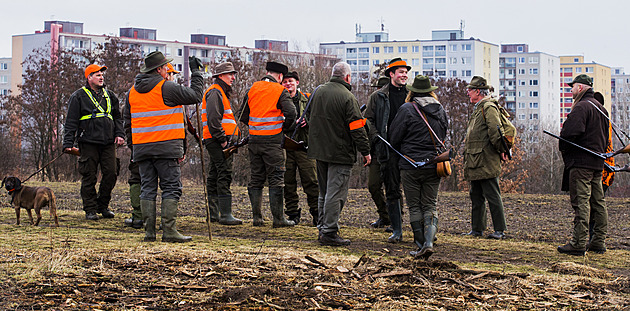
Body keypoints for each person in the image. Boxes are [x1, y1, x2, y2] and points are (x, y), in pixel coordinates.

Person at [123, 51, 204, 243]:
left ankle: (149, 233)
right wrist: (197, 73)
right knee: (171, 187)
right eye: (165, 66)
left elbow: (128, 123)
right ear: (158, 69)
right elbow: (196, 95)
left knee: (147, 189)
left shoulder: (131, 92)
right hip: (167, 147)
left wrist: (134, 148)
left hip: (142, 149)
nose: (167, 69)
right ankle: (169, 231)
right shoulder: (166, 87)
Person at [308, 62, 371, 246]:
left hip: (319, 151)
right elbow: (357, 129)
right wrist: (366, 151)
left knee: (324, 192)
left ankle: (322, 228)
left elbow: (309, 117)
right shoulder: (348, 97)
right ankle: (329, 232)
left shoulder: (317, 92)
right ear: (347, 77)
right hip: (340, 153)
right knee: (335, 194)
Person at [390, 75, 448, 259]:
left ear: (412, 92)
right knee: (431, 205)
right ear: (431, 91)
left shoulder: (407, 109)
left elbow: (394, 137)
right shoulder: (440, 110)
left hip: (410, 165)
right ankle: (429, 242)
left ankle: (421, 245)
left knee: (414, 206)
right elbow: (444, 133)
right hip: (434, 164)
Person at [123, 62, 182, 229]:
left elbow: (181, 124)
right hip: (160, 147)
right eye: (169, 73)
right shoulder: (163, 91)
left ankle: (146, 225)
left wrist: (133, 146)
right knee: (152, 183)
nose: (170, 77)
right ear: (161, 72)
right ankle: (142, 218)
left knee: (146, 185)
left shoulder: (135, 91)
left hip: (143, 147)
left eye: (172, 75)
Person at [63, 64, 125, 220]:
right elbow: (71, 121)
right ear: (89, 77)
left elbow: (118, 118)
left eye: (101, 74)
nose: (101, 77)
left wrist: (119, 134)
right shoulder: (78, 96)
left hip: (108, 142)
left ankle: (102, 205)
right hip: (88, 142)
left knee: (111, 173)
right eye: (97, 75)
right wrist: (68, 143)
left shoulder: (110, 96)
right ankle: (90, 209)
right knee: (89, 176)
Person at [240, 61, 297, 228]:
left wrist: (255, 126)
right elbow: (291, 113)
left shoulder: (252, 88)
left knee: (256, 178)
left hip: (254, 140)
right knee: (276, 178)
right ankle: (278, 219)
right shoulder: (280, 90)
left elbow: (243, 115)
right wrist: (284, 128)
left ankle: (257, 218)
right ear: (280, 76)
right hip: (273, 141)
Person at [558, 74, 609, 256]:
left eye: (572, 87)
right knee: (598, 202)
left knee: (581, 202)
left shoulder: (581, 107)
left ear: (580, 88)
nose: (570, 90)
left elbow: (570, 133)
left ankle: (578, 243)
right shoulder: (601, 108)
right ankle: (598, 242)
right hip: (597, 162)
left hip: (581, 163)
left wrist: (564, 146)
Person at [364, 58, 410, 243]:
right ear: (391, 74)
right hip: (385, 147)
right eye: (401, 72)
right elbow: (368, 120)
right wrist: (376, 138)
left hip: (407, 149)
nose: (404, 75)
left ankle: (400, 223)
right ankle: (391, 221)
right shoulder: (378, 96)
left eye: (406, 72)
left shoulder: (411, 95)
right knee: (385, 186)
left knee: (407, 188)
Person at [463, 76, 508, 240]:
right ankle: (477, 229)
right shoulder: (479, 107)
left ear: (477, 91)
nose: (467, 92)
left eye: (470, 90)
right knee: (476, 195)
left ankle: (499, 230)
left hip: (486, 159)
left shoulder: (488, 107)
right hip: (476, 159)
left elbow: (496, 132)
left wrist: (502, 150)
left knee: (492, 194)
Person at [202, 61, 242, 225]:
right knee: (224, 174)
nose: (233, 77)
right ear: (220, 76)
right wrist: (223, 140)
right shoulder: (215, 93)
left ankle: (214, 214)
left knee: (215, 175)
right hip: (218, 140)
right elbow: (214, 120)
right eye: (229, 74)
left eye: (233, 74)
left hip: (215, 139)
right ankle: (225, 214)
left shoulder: (219, 92)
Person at [281, 71, 319, 225]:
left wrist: (307, 122)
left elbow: (319, 118)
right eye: (285, 81)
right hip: (286, 147)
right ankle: (292, 214)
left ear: (297, 82)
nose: (288, 84)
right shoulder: (279, 100)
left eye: (290, 81)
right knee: (287, 182)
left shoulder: (309, 99)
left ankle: (317, 214)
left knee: (311, 181)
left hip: (305, 147)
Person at [366, 76, 391, 231]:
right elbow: (367, 122)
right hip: (376, 150)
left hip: (392, 151)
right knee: (373, 185)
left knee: (393, 187)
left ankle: (395, 219)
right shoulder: (373, 101)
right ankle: (385, 216)